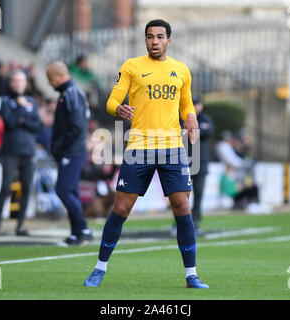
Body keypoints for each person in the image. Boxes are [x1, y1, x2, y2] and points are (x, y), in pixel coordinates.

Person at [84, 19, 208, 289]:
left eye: (160, 36)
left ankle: (191, 275)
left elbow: (186, 103)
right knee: (121, 208)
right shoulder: (132, 66)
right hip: (139, 147)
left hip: (172, 148)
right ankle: (99, 268)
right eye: (150, 36)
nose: (154, 41)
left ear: (168, 41)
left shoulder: (181, 70)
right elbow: (112, 100)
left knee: (182, 207)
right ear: (145, 40)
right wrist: (119, 109)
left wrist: (191, 118)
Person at [46, 61, 93, 245]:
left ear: (59, 76)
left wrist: (62, 146)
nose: (50, 83)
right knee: (71, 190)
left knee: (63, 190)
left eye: (50, 79)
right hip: (73, 150)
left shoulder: (72, 93)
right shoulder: (70, 93)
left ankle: (83, 228)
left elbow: (76, 126)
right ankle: (76, 233)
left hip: (72, 151)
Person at [0, 70, 42, 236]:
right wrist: (21, 110)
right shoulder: (6, 101)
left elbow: (37, 125)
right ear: (11, 83)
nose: (18, 84)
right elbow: (10, 122)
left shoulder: (32, 102)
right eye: (15, 81)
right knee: (5, 187)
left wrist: (22, 119)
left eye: (21, 81)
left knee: (27, 187)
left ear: (25, 83)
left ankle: (20, 224)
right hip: (10, 151)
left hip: (28, 151)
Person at [186, 95, 213, 232]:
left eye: (197, 104)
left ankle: (195, 222)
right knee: (181, 195)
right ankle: (180, 223)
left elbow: (206, 132)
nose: (195, 106)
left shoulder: (206, 119)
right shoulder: (182, 117)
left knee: (198, 194)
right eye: (193, 103)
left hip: (200, 163)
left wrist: (192, 131)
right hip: (185, 161)